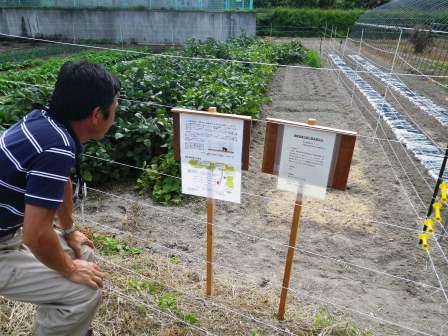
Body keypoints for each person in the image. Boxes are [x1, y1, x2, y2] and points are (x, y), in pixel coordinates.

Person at [0, 61, 120, 336]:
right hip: (5, 242)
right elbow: (36, 236)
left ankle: (70, 329)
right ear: (96, 115)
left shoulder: (43, 123)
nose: (114, 120)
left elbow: (60, 182)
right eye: (113, 112)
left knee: (83, 253)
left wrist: (70, 230)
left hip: (8, 231)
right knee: (82, 291)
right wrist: (68, 270)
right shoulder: (57, 147)